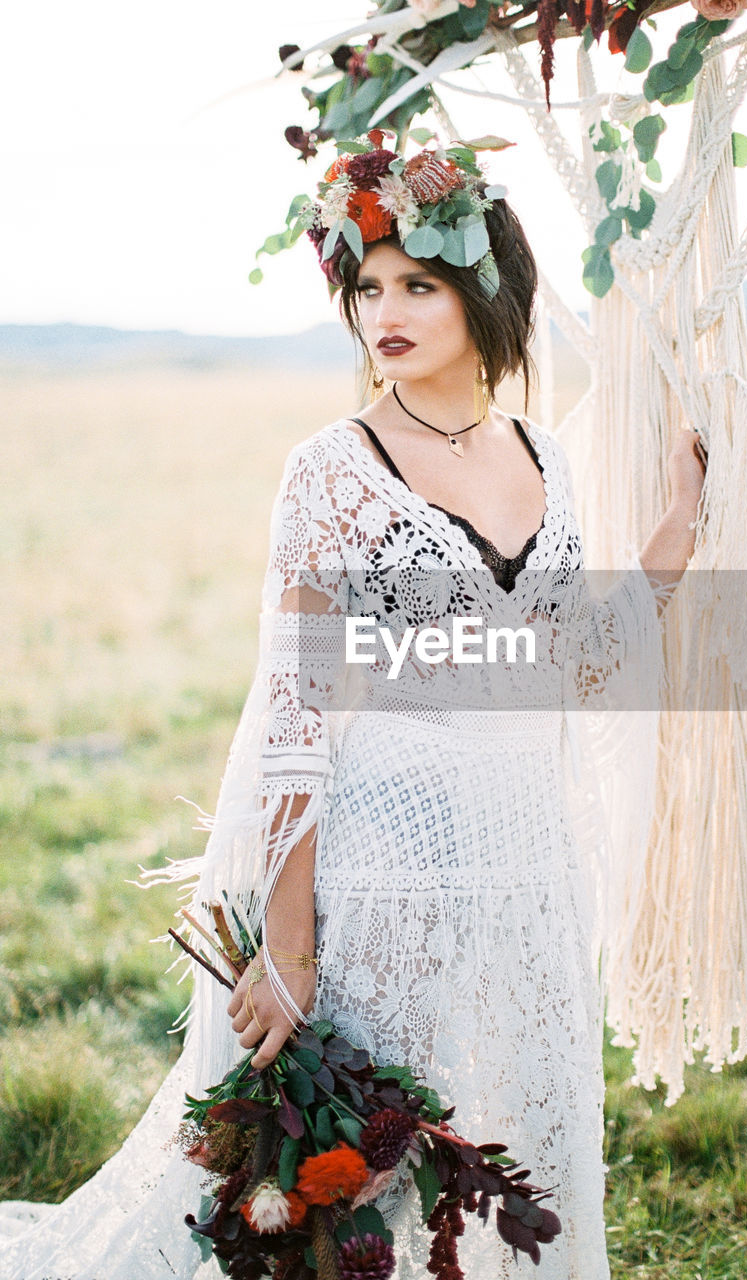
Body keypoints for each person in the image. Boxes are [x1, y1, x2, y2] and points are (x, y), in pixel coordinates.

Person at [0, 138, 705, 1280]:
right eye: (366, 288)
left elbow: (569, 664)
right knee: (373, 1178)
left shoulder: (547, 457)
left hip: (528, 867)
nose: (385, 310)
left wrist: (674, 528)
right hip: (386, 866)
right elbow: (296, 705)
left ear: (484, 288)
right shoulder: (331, 467)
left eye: (417, 284)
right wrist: (287, 942)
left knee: (513, 1138)